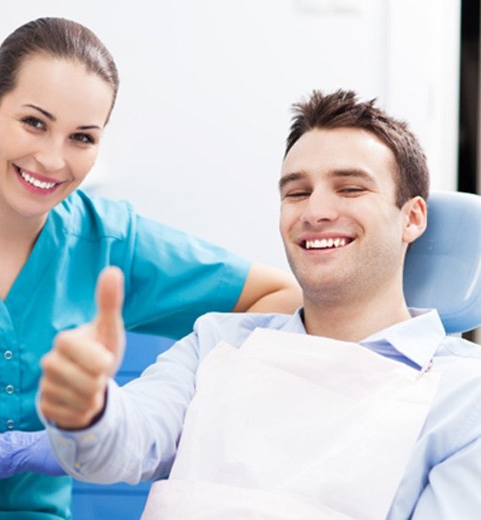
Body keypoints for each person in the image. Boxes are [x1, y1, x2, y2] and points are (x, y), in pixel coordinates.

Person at [0, 17, 302, 520]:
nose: (51, 159)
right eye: (34, 123)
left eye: (82, 138)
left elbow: (282, 298)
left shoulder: (109, 241)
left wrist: (146, 409)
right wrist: (3, 458)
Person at [39, 89, 481, 519]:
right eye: (296, 192)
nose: (315, 211)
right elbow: (126, 443)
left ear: (413, 217)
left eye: (349, 189)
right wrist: (88, 409)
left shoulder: (465, 396)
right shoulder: (216, 342)